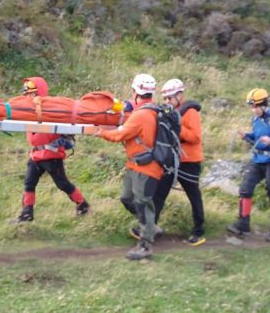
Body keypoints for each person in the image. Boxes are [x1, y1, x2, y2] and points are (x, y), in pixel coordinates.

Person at [131, 78, 206, 246]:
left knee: (193, 195)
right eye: (165, 98)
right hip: (173, 160)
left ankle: (198, 230)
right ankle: (149, 228)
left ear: (180, 95)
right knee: (159, 193)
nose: (167, 101)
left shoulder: (190, 112)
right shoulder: (172, 111)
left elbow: (195, 137)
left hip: (189, 161)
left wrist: (175, 128)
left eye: (169, 98)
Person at [94, 74, 162, 260]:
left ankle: (145, 245)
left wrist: (100, 132)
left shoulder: (142, 115)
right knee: (127, 197)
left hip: (146, 167)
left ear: (135, 92)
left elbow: (119, 135)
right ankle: (150, 227)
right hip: (136, 165)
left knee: (142, 204)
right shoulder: (150, 111)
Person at [13, 77, 90, 223]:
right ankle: (26, 214)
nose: (28, 97)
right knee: (29, 183)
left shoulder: (52, 110)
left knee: (62, 184)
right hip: (36, 155)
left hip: (51, 155)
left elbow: (67, 132)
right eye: (27, 94)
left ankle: (83, 205)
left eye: (31, 94)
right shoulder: (29, 112)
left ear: (39, 93)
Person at [227, 88, 270, 242]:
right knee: (245, 189)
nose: (253, 110)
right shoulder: (255, 119)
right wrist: (247, 136)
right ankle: (243, 225)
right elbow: (257, 137)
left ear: (264, 104)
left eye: (256, 107)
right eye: (251, 107)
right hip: (257, 160)